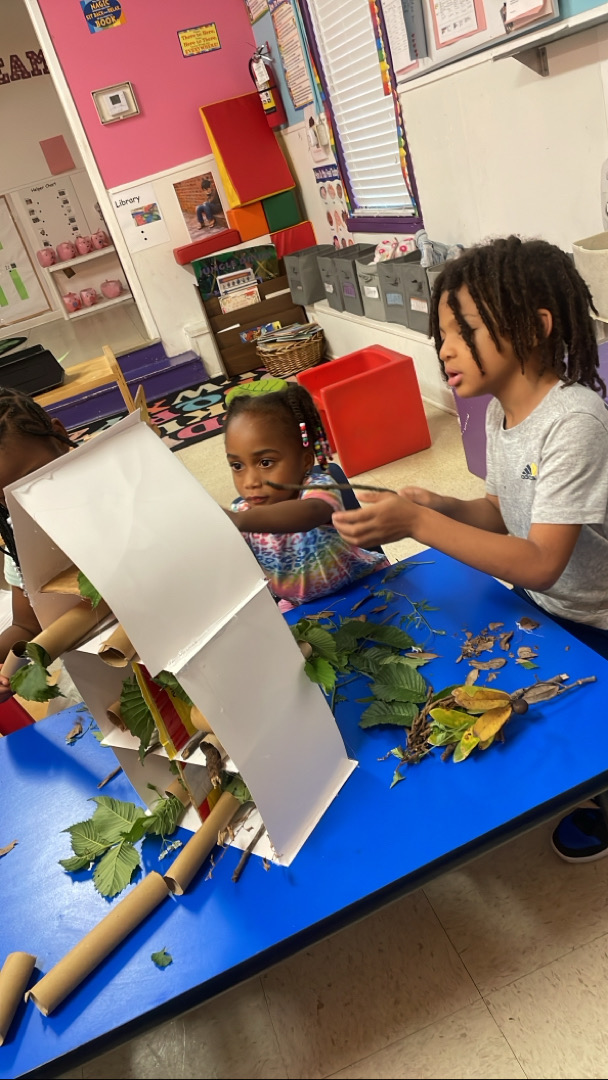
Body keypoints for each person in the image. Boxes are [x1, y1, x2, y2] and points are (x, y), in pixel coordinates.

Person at [332, 234, 608, 862]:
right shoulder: (497, 415)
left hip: (597, 615)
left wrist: (418, 525)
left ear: (535, 328)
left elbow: (541, 559)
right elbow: (503, 512)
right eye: (441, 335)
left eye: (465, 331)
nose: (444, 349)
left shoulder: (576, 420)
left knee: (586, 731)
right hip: (547, 605)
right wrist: (439, 506)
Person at [223, 383, 388, 609]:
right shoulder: (243, 513)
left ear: (305, 461)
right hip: (299, 606)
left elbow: (311, 513)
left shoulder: (319, 488)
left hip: (365, 583)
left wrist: (239, 521)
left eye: (265, 462)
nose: (250, 481)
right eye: (237, 466)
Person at [0, 387, 82, 707]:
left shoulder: (122, 490)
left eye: (30, 481)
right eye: (3, 501)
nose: (23, 506)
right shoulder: (20, 541)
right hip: (97, 663)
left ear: (59, 437)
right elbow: (27, 624)